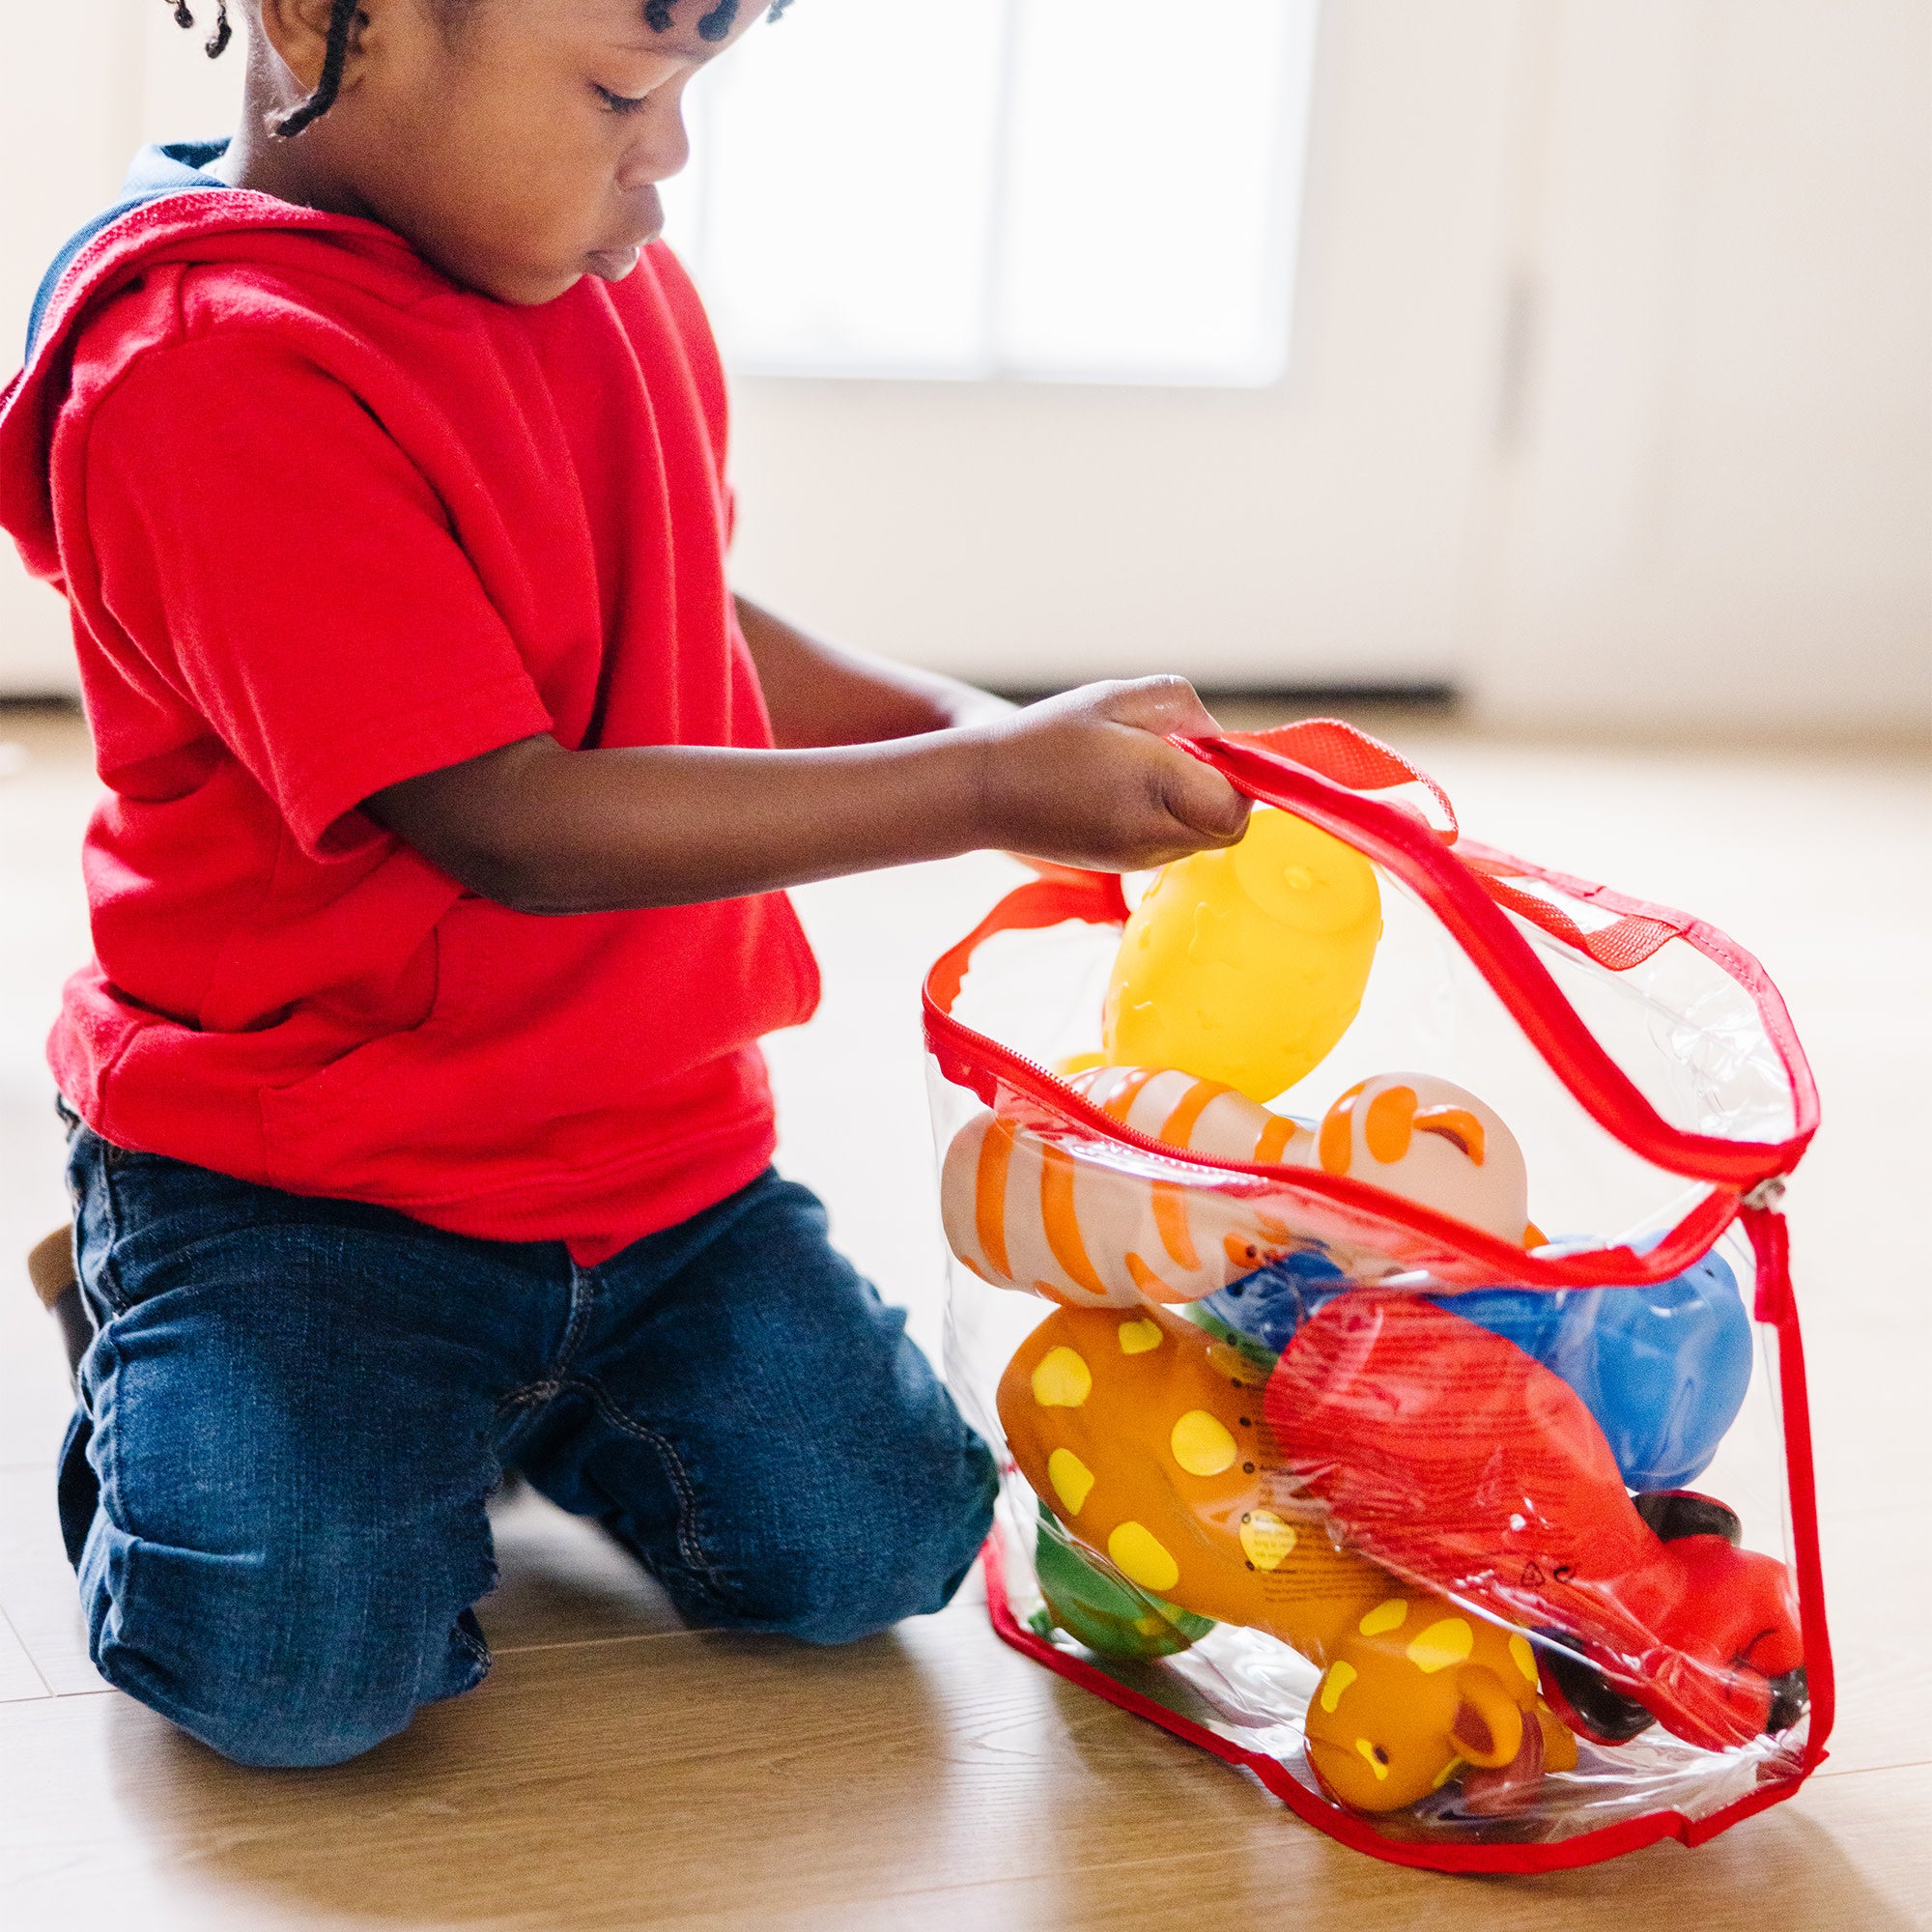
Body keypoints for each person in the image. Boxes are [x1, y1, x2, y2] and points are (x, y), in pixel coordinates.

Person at [0, 0, 1250, 1769]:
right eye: (618, 94)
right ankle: (154, 1329)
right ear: (319, 19)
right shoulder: (209, 371)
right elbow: (505, 819)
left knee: (883, 1541)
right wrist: (976, 789)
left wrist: (979, 729)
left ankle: (486, 1413)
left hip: (654, 1166)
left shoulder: (593, 274)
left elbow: (684, 616)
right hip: (304, 1183)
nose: (666, 160)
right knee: (293, 1672)